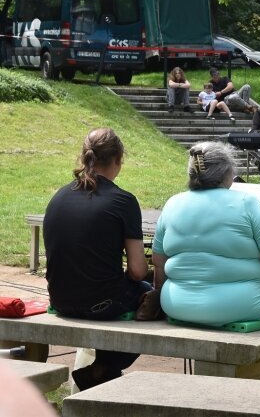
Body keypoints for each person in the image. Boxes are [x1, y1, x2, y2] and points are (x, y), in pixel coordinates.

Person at [152, 141, 260, 382]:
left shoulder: (172, 204)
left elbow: (159, 262)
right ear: (227, 173)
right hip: (244, 304)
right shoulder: (247, 203)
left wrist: (159, 298)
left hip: (177, 304)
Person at [43, 127, 152, 390]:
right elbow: (137, 271)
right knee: (155, 295)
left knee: (114, 286)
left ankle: (102, 372)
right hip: (102, 303)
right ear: (118, 159)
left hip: (60, 299)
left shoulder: (58, 196)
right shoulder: (123, 200)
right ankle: (103, 368)